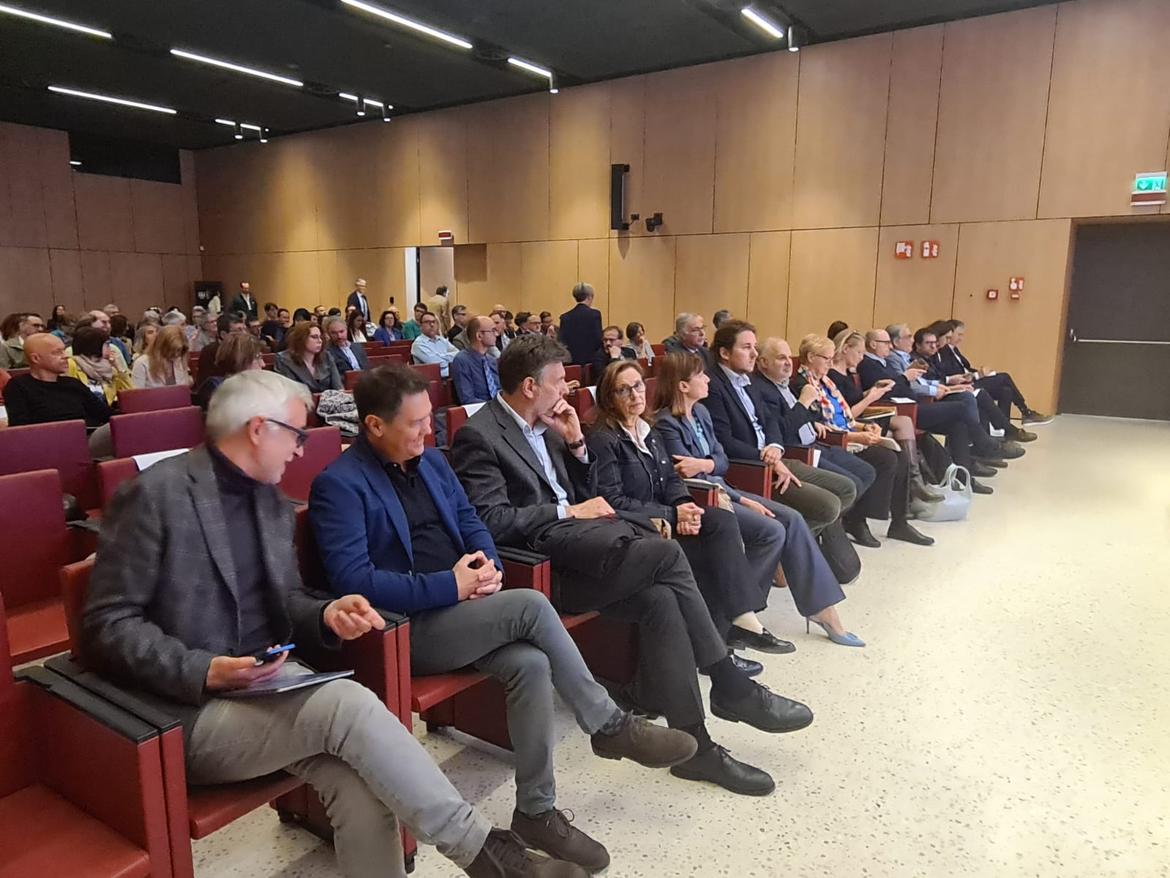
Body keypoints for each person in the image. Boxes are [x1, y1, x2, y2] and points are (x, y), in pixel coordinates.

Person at [82, 369, 587, 878]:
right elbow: (106, 626)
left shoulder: (270, 503)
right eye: (295, 435)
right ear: (258, 430)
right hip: (184, 715)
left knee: (361, 783)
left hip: (270, 685)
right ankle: (490, 856)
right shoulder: (155, 496)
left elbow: (286, 600)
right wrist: (204, 669)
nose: (300, 449)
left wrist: (326, 613)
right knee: (348, 704)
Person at [310, 366, 696, 873]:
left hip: (464, 609)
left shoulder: (430, 461)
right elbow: (353, 580)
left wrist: (487, 567)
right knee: (532, 605)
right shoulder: (339, 485)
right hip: (404, 630)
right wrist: (450, 586)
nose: (428, 431)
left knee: (531, 665)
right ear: (375, 426)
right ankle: (608, 725)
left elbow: (471, 521)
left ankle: (536, 811)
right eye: (415, 424)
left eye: (428, 419)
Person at [452, 333, 815, 798]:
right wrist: (567, 510)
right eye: (558, 382)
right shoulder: (481, 434)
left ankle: (698, 747)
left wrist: (577, 445)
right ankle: (728, 682)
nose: (566, 390)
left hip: (590, 546)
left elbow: (590, 493)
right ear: (529, 386)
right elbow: (493, 520)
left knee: (662, 599)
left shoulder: (550, 424)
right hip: (545, 570)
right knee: (668, 554)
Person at [653, 353, 862, 647]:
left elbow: (721, 461)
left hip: (723, 488)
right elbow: (689, 476)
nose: (708, 379)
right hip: (703, 499)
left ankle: (820, 609)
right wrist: (738, 495)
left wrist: (708, 465)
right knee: (772, 530)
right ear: (683, 386)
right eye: (701, 375)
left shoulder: (700, 413)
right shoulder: (666, 424)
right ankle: (736, 618)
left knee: (792, 518)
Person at [588, 360, 793, 654]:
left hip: (668, 517)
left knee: (720, 521)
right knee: (713, 554)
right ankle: (726, 643)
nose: (635, 395)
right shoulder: (603, 439)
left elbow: (672, 478)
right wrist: (673, 514)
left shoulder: (648, 429)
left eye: (638, 386)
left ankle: (741, 621)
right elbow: (612, 501)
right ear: (609, 398)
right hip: (640, 527)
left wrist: (685, 504)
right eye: (623, 390)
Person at [703, 320, 858, 537]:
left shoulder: (747, 380)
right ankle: (791, 543)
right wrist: (767, 458)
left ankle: (793, 543)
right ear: (725, 353)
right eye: (746, 347)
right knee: (829, 506)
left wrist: (775, 446)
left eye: (754, 347)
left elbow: (770, 421)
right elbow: (724, 441)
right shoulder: (713, 385)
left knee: (847, 488)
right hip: (751, 465)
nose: (754, 354)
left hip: (775, 455)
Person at [783, 335, 934, 547]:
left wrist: (863, 428)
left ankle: (899, 522)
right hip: (831, 441)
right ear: (810, 357)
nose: (830, 363)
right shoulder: (802, 385)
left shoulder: (826, 382)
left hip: (846, 432)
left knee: (898, 456)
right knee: (885, 460)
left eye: (831, 358)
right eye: (826, 358)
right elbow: (820, 426)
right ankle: (857, 519)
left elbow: (843, 417)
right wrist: (857, 436)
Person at [857, 329, 1008, 481]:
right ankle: (985, 444)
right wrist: (904, 377)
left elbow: (903, 386)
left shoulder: (883, 362)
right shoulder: (868, 364)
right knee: (961, 407)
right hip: (901, 411)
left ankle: (964, 477)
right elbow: (886, 391)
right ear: (873, 344)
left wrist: (906, 378)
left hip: (912, 404)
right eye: (886, 343)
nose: (890, 346)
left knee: (958, 424)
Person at [912, 327, 1033, 449]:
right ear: (918, 345)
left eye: (935, 342)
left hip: (952, 385)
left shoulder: (938, 354)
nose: (934, 345)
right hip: (937, 394)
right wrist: (966, 379)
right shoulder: (922, 359)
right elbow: (932, 380)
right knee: (984, 390)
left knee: (1004, 391)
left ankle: (1000, 433)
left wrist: (974, 375)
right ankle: (988, 439)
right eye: (929, 343)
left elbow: (955, 373)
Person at [4, 333, 114, 455]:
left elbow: (105, 413)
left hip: (84, 438)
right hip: (44, 446)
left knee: (122, 425)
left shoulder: (72, 384)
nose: (65, 356)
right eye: (57, 352)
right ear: (36, 358)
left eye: (64, 351)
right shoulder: (19, 386)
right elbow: (21, 429)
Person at [931, 319, 1051, 426]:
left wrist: (981, 373)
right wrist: (977, 375)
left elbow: (965, 369)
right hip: (961, 385)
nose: (960, 339)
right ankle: (1025, 412)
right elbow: (953, 375)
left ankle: (1004, 429)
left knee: (1006, 390)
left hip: (969, 381)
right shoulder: (942, 351)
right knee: (1004, 377)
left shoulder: (954, 350)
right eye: (958, 335)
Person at [194, 333, 268, 410]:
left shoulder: (258, 387)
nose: (263, 364)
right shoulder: (216, 387)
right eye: (257, 358)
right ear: (239, 359)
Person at [67, 326, 132, 407]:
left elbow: (130, 394)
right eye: (107, 344)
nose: (111, 349)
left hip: (104, 412)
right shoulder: (71, 364)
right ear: (95, 345)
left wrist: (119, 368)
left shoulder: (110, 370)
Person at [276, 322, 342, 393]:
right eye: (314, 337)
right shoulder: (284, 359)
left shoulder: (326, 356)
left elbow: (338, 388)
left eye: (320, 337)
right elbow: (290, 392)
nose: (320, 341)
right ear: (301, 339)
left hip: (329, 399)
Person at [451, 316, 501, 404]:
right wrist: (494, 406)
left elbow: (501, 390)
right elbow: (467, 399)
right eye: (493, 331)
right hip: (478, 409)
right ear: (479, 336)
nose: (496, 334)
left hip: (496, 406)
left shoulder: (491, 360)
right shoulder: (462, 361)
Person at [131, 324, 192, 389]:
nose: (176, 354)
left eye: (179, 350)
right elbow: (137, 393)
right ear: (162, 346)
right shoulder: (141, 363)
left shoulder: (179, 360)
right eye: (173, 350)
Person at [558, 282, 603, 367]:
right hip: (591, 361)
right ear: (589, 297)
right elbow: (598, 338)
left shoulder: (565, 317)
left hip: (572, 362)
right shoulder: (595, 314)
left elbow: (562, 341)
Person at [197, 312, 248, 385]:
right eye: (239, 330)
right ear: (223, 335)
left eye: (244, 329)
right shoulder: (209, 352)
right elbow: (208, 384)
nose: (245, 334)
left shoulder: (246, 348)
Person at [410, 312, 459, 379]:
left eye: (433, 322)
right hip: (432, 380)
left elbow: (458, 355)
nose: (432, 325)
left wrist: (440, 356)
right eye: (427, 322)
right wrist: (449, 359)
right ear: (421, 326)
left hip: (452, 375)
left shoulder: (442, 340)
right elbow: (437, 364)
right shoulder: (418, 344)